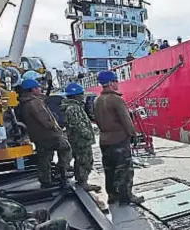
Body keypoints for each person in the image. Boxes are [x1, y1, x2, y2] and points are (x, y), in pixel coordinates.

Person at [0, 153, 69, 230]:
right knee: (60, 223)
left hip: (12, 220)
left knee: (42, 213)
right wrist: (29, 224)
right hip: (16, 226)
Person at [93, 71, 144, 205]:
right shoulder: (116, 99)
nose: (117, 83)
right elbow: (126, 120)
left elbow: (97, 119)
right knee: (125, 170)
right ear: (110, 83)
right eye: (116, 80)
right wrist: (133, 135)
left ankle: (112, 196)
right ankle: (126, 197)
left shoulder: (97, 100)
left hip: (104, 140)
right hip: (119, 140)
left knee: (109, 169)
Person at [18, 79, 72, 188]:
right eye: (38, 87)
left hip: (38, 136)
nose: (40, 89)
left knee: (45, 157)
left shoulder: (25, 102)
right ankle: (60, 171)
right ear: (33, 89)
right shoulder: (34, 102)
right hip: (48, 134)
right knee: (65, 148)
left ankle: (45, 180)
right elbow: (44, 119)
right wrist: (55, 127)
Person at [60, 83, 101, 192]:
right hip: (81, 141)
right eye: (81, 94)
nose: (83, 96)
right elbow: (78, 124)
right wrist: (88, 134)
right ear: (75, 96)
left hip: (77, 140)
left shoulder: (72, 107)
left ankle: (81, 180)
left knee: (80, 160)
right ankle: (83, 182)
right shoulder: (74, 108)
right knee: (85, 161)